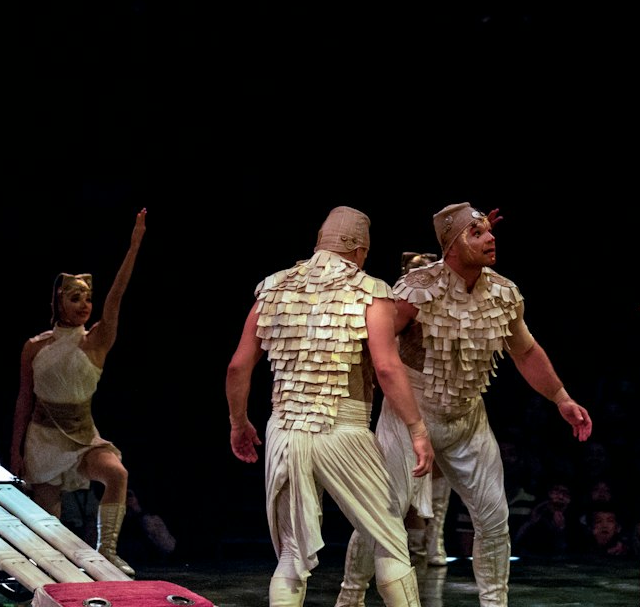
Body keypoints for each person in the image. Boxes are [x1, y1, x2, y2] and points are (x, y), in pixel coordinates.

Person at [337, 205, 590, 607]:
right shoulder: (416, 289)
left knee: (494, 518)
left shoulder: (504, 293)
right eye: (477, 233)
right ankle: (349, 598)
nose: (490, 238)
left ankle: (494, 602)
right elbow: (374, 350)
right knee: (380, 514)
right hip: (409, 413)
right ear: (452, 246)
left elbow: (525, 352)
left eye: (489, 231)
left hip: (467, 417)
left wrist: (561, 397)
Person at [224, 207, 432, 607]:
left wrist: (238, 423)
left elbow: (237, 366)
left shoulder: (273, 287)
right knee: (389, 539)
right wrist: (417, 430)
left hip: (284, 428)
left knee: (290, 553)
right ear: (359, 250)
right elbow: (388, 368)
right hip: (343, 426)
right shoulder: (371, 291)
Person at [12, 212, 148, 569]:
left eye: (87, 299)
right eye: (75, 298)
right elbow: (25, 398)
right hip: (43, 438)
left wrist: (134, 246)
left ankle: (108, 551)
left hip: (83, 435)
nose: (85, 305)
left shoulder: (97, 340)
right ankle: (52, 572)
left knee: (116, 473)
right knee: (50, 523)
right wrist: (16, 451)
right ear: (58, 303)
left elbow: (117, 297)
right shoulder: (35, 347)